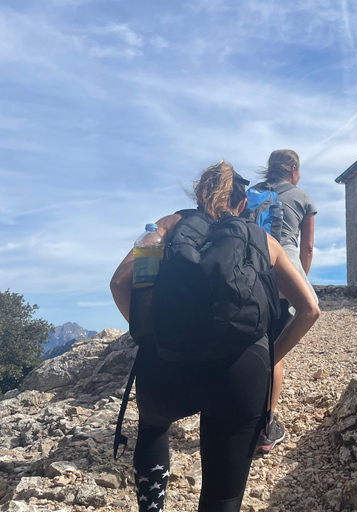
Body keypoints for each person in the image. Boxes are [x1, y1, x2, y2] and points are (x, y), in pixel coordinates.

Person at [110, 161, 320, 512]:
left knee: (153, 425)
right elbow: (310, 310)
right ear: (242, 204)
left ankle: (152, 505)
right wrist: (270, 362)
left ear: (198, 193)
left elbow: (119, 282)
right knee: (222, 497)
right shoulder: (261, 239)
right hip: (240, 372)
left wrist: (150, 333)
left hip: (166, 366)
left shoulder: (167, 226)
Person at [244, 149, 318, 453]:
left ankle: (239, 413)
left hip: (248, 274)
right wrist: (299, 279)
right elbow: (309, 247)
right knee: (275, 350)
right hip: (283, 276)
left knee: (250, 342)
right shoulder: (302, 197)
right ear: (294, 170)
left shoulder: (248, 195)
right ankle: (267, 425)